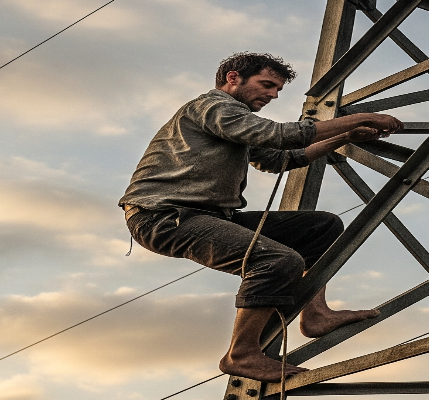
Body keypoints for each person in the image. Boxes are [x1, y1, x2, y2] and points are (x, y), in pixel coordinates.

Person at [119, 52, 404, 382]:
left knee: (321, 226)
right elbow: (279, 135)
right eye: (266, 85)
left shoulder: (234, 122)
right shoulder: (215, 106)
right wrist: (358, 118)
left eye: (277, 90)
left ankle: (316, 315)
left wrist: (342, 137)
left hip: (209, 215)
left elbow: (279, 159)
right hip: (165, 216)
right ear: (233, 78)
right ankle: (241, 354)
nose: (272, 95)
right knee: (278, 261)